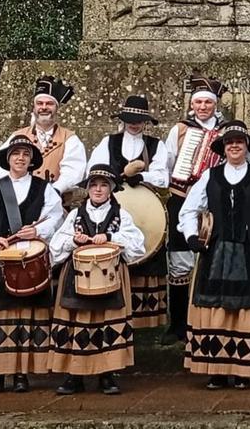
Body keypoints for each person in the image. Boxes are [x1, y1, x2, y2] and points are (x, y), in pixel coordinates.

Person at [177, 121, 250, 390]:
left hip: (249, 251)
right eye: (229, 142)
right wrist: (192, 235)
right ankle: (216, 369)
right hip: (216, 251)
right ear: (223, 148)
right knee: (215, 307)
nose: (234, 146)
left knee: (245, 308)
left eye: (239, 141)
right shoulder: (209, 176)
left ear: (247, 146)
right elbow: (189, 210)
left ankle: (243, 369)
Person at [0, 135, 64, 393]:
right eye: (16, 154)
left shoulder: (45, 189)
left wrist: (39, 233)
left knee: (24, 317)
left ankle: (22, 373)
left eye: (25, 154)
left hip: (29, 260)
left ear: (32, 161)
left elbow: (54, 217)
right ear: (8, 159)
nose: (20, 158)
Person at [48, 165, 146, 395]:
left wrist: (111, 237)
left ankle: (107, 375)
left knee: (107, 322)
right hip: (76, 276)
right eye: (93, 185)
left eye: (103, 185)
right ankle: (74, 375)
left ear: (111, 189)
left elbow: (137, 246)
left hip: (111, 276)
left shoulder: (122, 215)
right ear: (87, 189)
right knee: (76, 323)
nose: (98, 190)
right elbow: (54, 248)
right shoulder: (75, 215)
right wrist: (75, 241)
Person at [88, 95, 171, 329]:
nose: (134, 124)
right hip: (112, 207)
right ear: (123, 120)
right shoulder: (108, 142)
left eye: (139, 120)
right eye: (130, 119)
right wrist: (116, 176)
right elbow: (93, 170)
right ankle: (112, 309)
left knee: (147, 251)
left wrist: (141, 176)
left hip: (146, 210)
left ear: (145, 122)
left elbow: (163, 178)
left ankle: (146, 320)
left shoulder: (156, 145)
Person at [161, 75, 227, 345]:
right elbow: (168, 161)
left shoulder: (226, 131)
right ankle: (177, 323)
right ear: (192, 104)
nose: (203, 107)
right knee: (180, 260)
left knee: (214, 257)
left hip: (215, 202)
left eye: (207, 103)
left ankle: (211, 320)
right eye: (198, 102)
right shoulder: (180, 129)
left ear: (215, 104)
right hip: (181, 196)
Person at [0, 76, 86, 195]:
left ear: (57, 108)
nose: (44, 107)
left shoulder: (70, 139)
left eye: (49, 103)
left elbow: (73, 172)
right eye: (40, 103)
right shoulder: (17, 136)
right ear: (34, 108)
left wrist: (53, 191)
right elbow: (0, 169)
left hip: (58, 204)